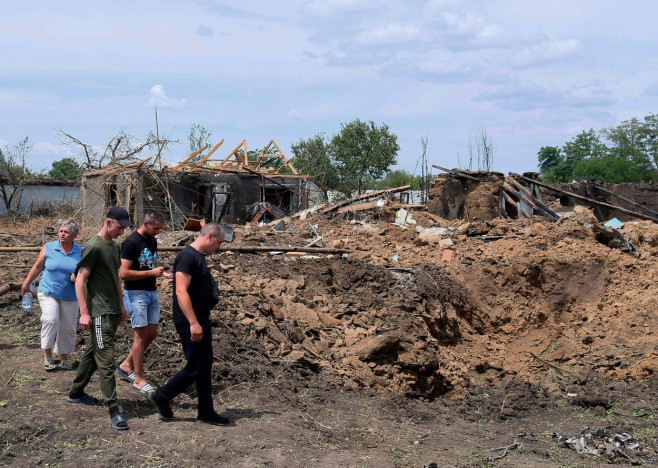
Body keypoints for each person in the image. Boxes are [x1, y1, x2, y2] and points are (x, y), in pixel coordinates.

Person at [148, 223, 229, 426]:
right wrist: (193, 323)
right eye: (218, 242)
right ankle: (162, 395)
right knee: (196, 366)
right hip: (190, 321)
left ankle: (206, 411)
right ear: (209, 236)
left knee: (204, 365)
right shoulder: (188, 256)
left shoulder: (197, 257)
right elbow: (181, 291)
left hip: (200, 318)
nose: (219, 247)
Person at [66, 206, 133, 431]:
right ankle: (114, 410)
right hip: (99, 313)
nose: (121, 232)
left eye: (124, 228)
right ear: (108, 222)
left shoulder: (114, 245)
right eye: (119, 227)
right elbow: (80, 280)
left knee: (94, 352)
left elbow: (116, 276)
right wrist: (84, 313)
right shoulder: (93, 247)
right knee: (106, 360)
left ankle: (76, 392)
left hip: (112, 310)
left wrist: (121, 305)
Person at [116, 210, 168, 394]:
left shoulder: (152, 241)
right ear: (146, 224)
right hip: (135, 293)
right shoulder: (131, 242)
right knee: (140, 335)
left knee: (151, 333)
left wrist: (161, 272)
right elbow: (123, 273)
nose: (157, 233)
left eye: (160, 229)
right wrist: (150, 273)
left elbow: (148, 264)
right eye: (155, 229)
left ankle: (125, 365)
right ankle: (138, 379)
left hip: (151, 291)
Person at [22, 220, 82, 371]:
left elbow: (85, 271)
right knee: (51, 319)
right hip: (48, 291)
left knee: (68, 326)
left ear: (74, 235)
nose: (62, 234)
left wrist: (79, 276)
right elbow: (37, 267)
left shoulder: (80, 251)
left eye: (66, 232)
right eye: (61, 231)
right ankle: (47, 355)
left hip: (71, 294)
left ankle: (64, 358)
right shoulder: (49, 247)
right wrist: (26, 283)